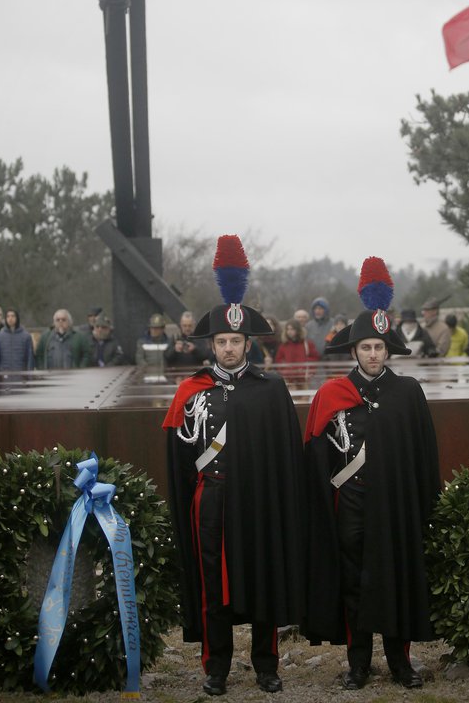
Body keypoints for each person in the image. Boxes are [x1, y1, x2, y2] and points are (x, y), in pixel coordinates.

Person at [163, 236, 304, 697]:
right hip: (212, 504)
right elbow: (180, 459)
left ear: (248, 343)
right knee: (212, 588)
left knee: (260, 581)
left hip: (259, 501)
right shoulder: (192, 392)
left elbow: (287, 458)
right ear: (212, 344)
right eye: (221, 341)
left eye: (235, 341)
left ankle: (266, 665)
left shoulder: (270, 390)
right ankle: (216, 668)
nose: (228, 348)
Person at [304, 257, 440, 691]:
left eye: (380, 347)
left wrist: (425, 506)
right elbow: (317, 460)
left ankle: (401, 664)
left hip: (396, 506)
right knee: (354, 584)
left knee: (395, 579)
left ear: (389, 350)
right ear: (354, 350)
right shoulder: (331, 394)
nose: (374, 354)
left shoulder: (408, 393)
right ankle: (358, 664)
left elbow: (424, 456)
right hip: (352, 506)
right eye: (366, 347)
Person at [0, 307, 35, 372]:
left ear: (17, 318)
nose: (10, 319)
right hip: (4, 374)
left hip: (21, 374)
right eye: (8, 316)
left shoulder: (26, 336)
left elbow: (30, 358)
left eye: (13, 316)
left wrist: (29, 375)